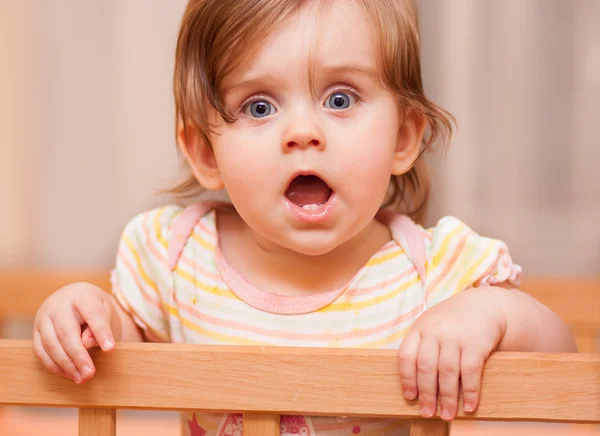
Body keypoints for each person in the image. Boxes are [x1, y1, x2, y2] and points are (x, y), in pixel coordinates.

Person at [33, 0, 577, 434]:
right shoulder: (177, 255)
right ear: (204, 152)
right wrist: (87, 315)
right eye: (260, 107)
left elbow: (565, 370)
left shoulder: (432, 270)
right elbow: (123, 347)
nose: (303, 132)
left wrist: (491, 315)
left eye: (340, 99)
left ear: (404, 138)